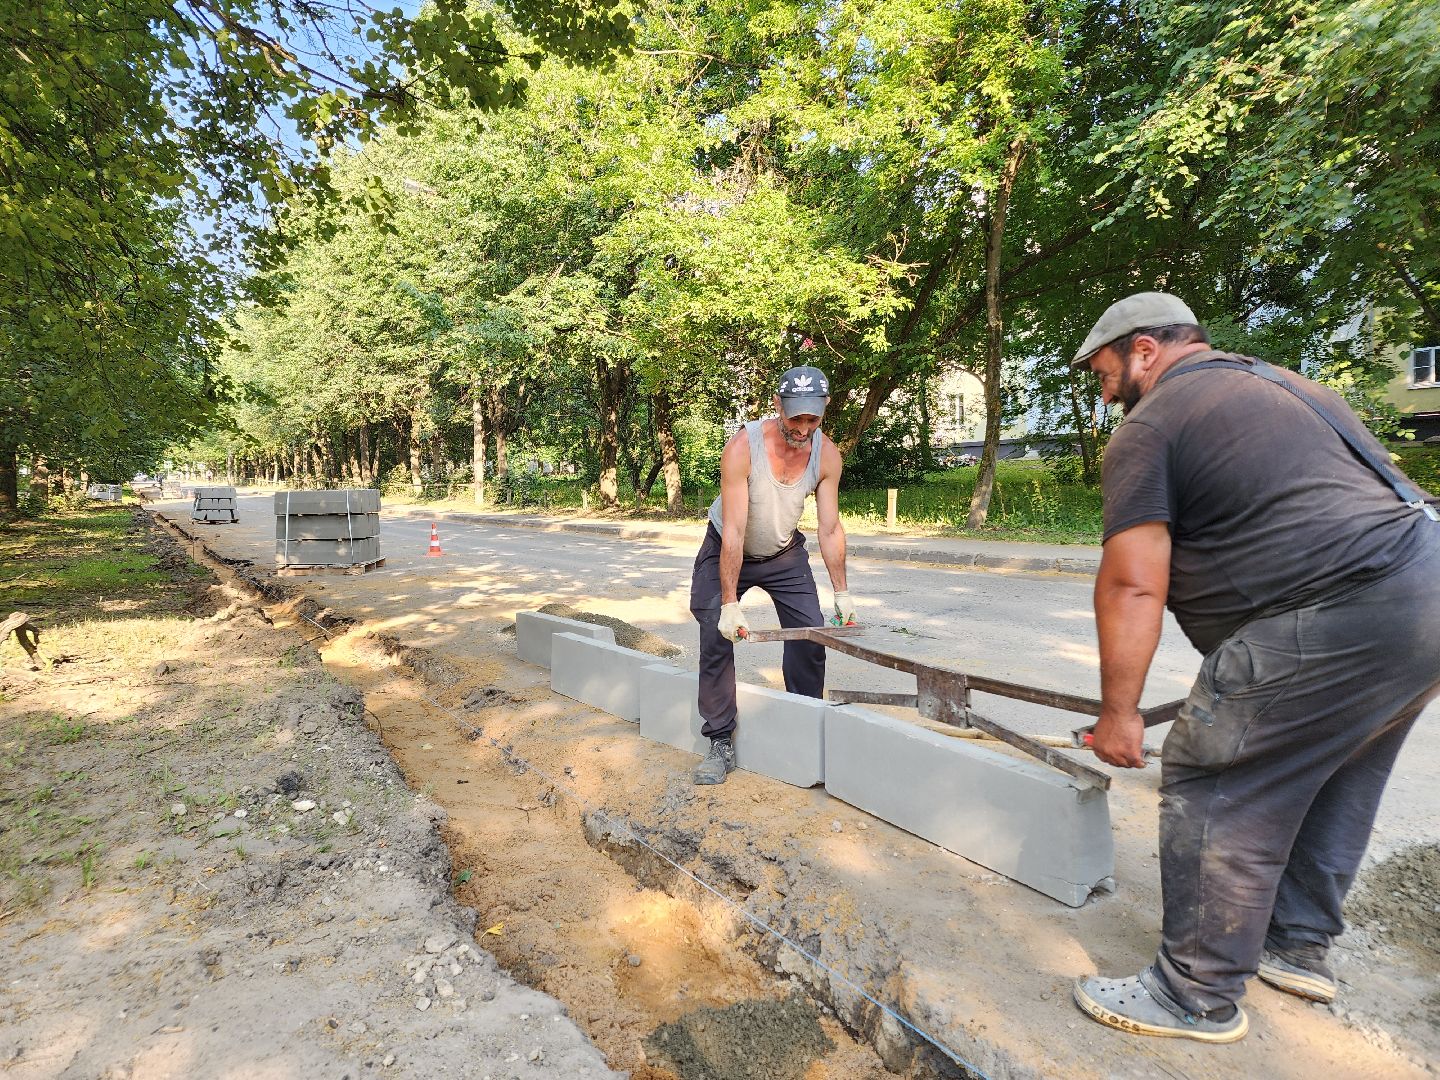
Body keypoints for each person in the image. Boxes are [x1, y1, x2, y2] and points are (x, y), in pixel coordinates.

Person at [1068, 292, 1440, 1043]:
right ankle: (1296, 944)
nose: (1101, 389)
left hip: (1346, 602)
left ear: (1145, 350)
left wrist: (1119, 713)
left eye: (1103, 370)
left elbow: (1133, 580)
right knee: (1337, 766)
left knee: (1215, 765)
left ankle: (1192, 993)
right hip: (1422, 592)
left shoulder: (1156, 422)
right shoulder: (1287, 385)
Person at [689, 365, 855, 785]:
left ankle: (803, 724)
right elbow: (736, 531)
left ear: (824, 409)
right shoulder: (744, 448)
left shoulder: (827, 454)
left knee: (810, 635)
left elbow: (830, 527)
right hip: (727, 546)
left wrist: (843, 593)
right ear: (777, 404)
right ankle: (720, 739)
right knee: (715, 631)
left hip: (783, 553)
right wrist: (729, 603)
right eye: (794, 417)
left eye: (811, 419)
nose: (802, 427)